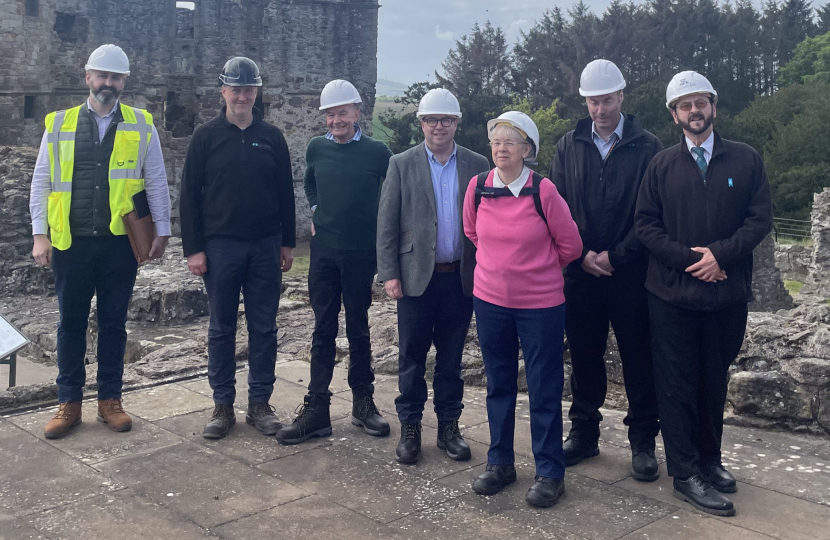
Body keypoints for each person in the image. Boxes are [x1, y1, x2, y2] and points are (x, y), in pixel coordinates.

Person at [635, 71, 772, 517]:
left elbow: (758, 219)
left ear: (713, 106)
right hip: (671, 295)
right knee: (676, 385)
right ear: (674, 115)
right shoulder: (660, 165)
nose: (694, 111)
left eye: (701, 103)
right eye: (685, 105)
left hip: (725, 294)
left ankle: (710, 461)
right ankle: (686, 472)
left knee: (714, 381)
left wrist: (721, 256)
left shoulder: (746, 159)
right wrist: (692, 260)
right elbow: (646, 225)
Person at [30, 44, 171, 439]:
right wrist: (40, 234)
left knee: (114, 323)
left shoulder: (142, 124)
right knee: (70, 324)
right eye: (102, 76)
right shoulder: (59, 123)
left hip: (118, 243)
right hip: (70, 240)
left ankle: (110, 400)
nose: (108, 83)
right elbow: (42, 180)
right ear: (88, 77)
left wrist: (162, 231)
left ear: (124, 81)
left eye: (115, 77)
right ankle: (69, 402)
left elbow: (156, 179)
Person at [549, 59, 663, 480]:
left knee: (638, 357)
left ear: (621, 97)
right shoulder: (568, 144)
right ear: (586, 101)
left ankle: (642, 442)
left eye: (607, 100)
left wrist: (616, 256)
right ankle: (584, 434)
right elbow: (556, 206)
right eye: (593, 101)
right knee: (583, 355)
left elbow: (651, 212)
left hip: (630, 272)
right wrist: (580, 255)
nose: (600, 109)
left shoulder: (648, 146)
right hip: (580, 272)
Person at [463, 111, 582, 508]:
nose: (501, 148)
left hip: (540, 306)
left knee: (544, 388)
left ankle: (549, 472)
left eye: (510, 142)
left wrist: (533, 271)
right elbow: (473, 232)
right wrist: (501, 268)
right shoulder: (478, 187)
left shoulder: (542, 191)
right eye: (496, 141)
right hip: (491, 301)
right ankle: (500, 463)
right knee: (498, 385)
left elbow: (571, 246)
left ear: (527, 149)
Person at [180, 57, 296, 440]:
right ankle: (222, 406)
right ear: (224, 91)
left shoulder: (273, 137)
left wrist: (287, 242)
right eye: (236, 88)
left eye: (249, 89)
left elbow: (284, 193)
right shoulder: (206, 137)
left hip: (264, 247)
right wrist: (193, 249)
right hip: (220, 247)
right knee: (221, 328)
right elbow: (189, 197)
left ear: (256, 92)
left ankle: (260, 404)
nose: (242, 95)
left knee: (264, 328)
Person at [276, 79, 393, 445]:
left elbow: (391, 197)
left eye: (342, 112)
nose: (335, 120)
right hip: (323, 250)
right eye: (329, 114)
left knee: (358, 328)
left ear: (357, 113)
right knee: (322, 329)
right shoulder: (316, 149)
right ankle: (318, 410)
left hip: (361, 252)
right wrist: (315, 209)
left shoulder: (378, 153)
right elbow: (309, 184)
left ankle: (363, 403)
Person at [377, 89, 489, 464]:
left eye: (445, 120)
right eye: (431, 120)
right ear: (421, 123)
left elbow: (489, 221)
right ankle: (410, 428)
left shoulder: (477, 164)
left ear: (457, 123)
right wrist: (390, 273)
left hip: (460, 278)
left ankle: (448, 427)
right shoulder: (401, 164)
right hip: (414, 279)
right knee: (411, 356)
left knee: (452, 358)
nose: (438, 126)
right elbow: (387, 224)